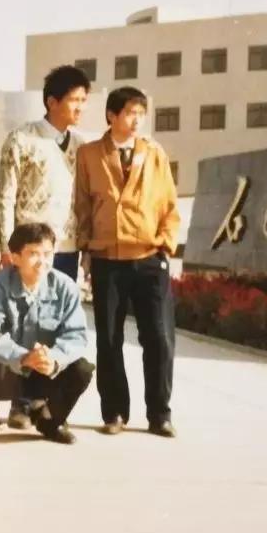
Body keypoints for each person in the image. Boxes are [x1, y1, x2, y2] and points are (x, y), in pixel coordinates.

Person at [73, 86, 180, 438]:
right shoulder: (89, 154)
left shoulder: (154, 153)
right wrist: (87, 249)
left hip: (150, 257)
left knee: (159, 338)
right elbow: (83, 205)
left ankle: (160, 414)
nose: (136, 121)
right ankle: (114, 412)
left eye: (141, 114)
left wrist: (165, 245)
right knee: (109, 339)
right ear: (112, 115)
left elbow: (169, 204)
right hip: (108, 258)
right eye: (130, 113)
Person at [0, 64, 90, 429]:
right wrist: (8, 246)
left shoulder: (82, 146)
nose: (80, 107)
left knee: (56, 326)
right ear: (52, 101)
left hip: (66, 248)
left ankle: (44, 400)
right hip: (30, 251)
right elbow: (4, 196)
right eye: (74, 100)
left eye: (83, 100)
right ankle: (20, 403)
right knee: (25, 325)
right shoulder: (22, 139)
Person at [0, 222, 94, 444]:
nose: (42, 261)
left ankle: (50, 421)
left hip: (43, 371)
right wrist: (24, 357)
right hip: (7, 371)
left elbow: (76, 335)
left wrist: (53, 359)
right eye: (33, 254)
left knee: (82, 369)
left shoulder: (66, 287)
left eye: (47, 254)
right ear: (15, 257)